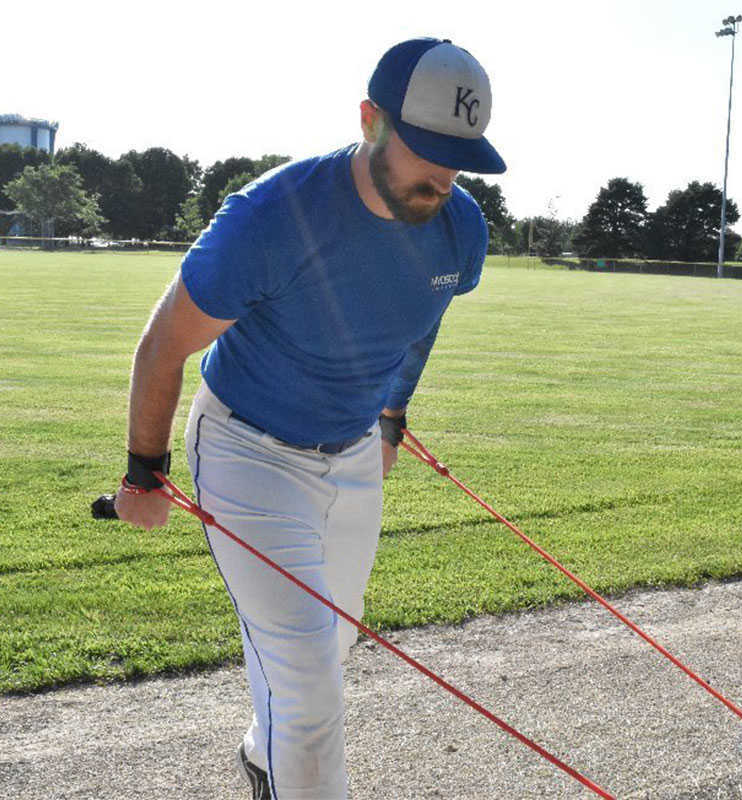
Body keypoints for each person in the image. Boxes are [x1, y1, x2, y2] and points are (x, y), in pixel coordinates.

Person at [114, 36, 505, 800]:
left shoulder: (461, 228)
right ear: (370, 121)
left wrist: (392, 412)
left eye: (458, 158)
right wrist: (143, 473)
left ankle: (265, 758)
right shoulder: (271, 217)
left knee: (332, 640)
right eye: (424, 149)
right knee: (312, 693)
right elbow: (162, 347)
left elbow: (425, 314)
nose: (442, 177)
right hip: (247, 450)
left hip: (355, 451)